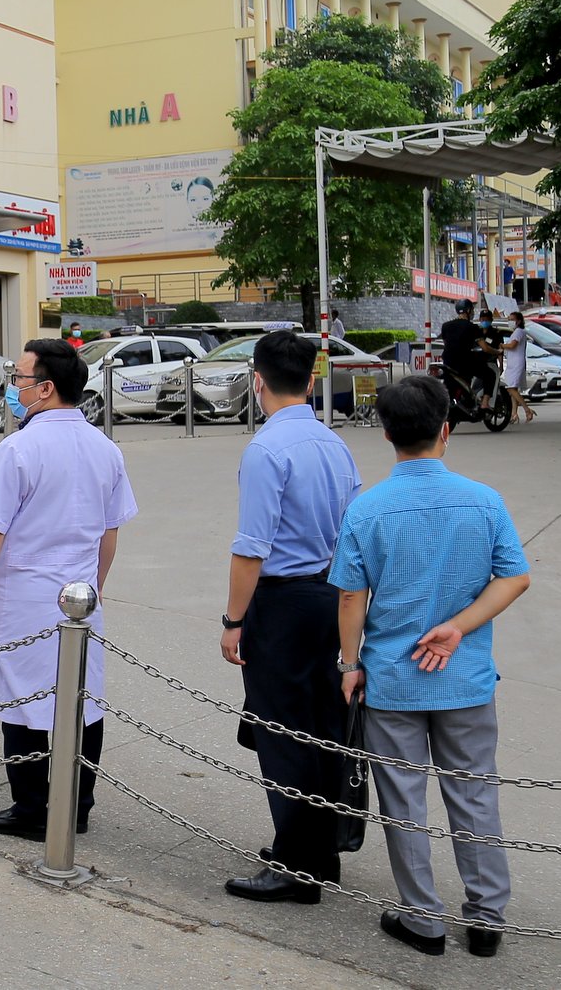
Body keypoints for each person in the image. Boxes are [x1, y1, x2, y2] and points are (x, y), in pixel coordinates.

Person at [331, 375, 531, 958]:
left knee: (404, 799)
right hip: (464, 676)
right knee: (474, 793)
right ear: (447, 429)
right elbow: (514, 576)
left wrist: (349, 663)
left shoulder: (367, 508)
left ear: (388, 434)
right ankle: (487, 915)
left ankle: (423, 917)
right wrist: (459, 626)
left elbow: (350, 596)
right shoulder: (484, 500)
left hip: (392, 677)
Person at [0, 338, 136, 839]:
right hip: (80, 594)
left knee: (23, 697)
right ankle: (77, 805)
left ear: (45, 388)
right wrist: (94, 587)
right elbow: (110, 532)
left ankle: (34, 808)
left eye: (19, 379)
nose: (13, 388)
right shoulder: (104, 447)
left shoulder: (18, 447)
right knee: (84, 694)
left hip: (25, 590)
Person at [218, 330, 363, 904]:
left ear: (257, 381)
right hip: (332, 595)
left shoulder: (266, 450)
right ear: (311, 380)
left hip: (282, 602)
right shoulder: (335, 445)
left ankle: (296, 865)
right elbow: (355, 530)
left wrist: (233, 620)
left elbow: (251, 547)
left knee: (281, 732)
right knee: (324, 726)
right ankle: (319, 851)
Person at [438, 300, 494, 409]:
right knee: (490, 374)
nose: (472, 313)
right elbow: (485, 348)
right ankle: (485, 403)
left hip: (448, 362)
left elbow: (447, 344)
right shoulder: (472, 327)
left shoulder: (446, 326)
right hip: (464, 363)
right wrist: (497, 351)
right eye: (472, 310)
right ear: (468, 311)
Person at [498, 310, 535, 424]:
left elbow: (512, 345)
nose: (510, 322)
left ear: (518, 321)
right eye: (508, 320)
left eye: (512, 320)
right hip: (512, 363)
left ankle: (527, 409)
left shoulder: (519, 332)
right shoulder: (515, 332)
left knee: (510, 388)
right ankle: (514, 414)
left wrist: (501, 345)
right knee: (513, 390)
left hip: (516, 364)